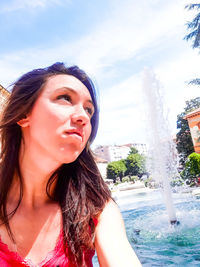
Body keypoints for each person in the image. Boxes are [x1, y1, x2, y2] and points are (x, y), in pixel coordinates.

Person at [0, 62, 142, 267]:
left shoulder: (97, 210)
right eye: (65, 98)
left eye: (89, 110)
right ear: (23, 115)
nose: (83, 116)